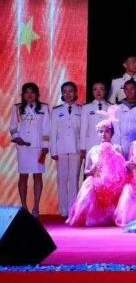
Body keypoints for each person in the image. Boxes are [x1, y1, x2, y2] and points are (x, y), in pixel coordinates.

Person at [67, 114, 127, 227]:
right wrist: (91, 171)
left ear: (112, 133)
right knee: (89, 186)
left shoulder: (117, 149)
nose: (103, 134)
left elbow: (123, 168)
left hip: (114, 184)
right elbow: (86, 171)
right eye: (101, 131)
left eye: (107, 131)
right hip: (97, 183)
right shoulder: (93, 150)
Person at [10, 83, 51, 216]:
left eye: (32, 92)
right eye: (26, 92)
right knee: (23, 176)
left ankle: (36, 207)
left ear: (37, 94)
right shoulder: (17, 108)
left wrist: (45, 147)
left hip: (38, 146)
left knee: (37, 176)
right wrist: (17, 138)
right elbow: (13, 126)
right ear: (22, 95)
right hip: (23, 146)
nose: (29, 95)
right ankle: (24, 206)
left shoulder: (44, 107)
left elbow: (46, 128)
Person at [49, 81, 82, 218]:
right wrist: (53, 151)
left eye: (71, 91)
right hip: (61, 148)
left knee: (74, 178)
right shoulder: (56, 111)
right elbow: (52, 132)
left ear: (75, 93)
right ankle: (63, 210)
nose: (68, 94)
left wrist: (83, 148)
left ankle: (72, 209)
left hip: (76, 147)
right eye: (65, 91)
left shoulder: (81, 110)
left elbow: (82, 131)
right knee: (62, 179)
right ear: (62, 94)